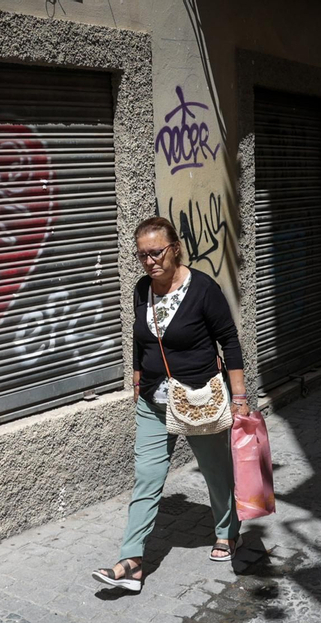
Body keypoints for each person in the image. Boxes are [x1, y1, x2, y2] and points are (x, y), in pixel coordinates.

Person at [93, 216, 247, 593]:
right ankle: (131, 561)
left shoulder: (203, 289)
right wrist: (135, 375)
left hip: (199, 399)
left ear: (175, 248)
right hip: (154, 402)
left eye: (156, 252)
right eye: (142, 255)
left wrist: (240, 396)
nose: (149, 261)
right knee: (146, 477)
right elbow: (140, 337)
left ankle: (228, 531)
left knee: (215, 471)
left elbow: (229, 340)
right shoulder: (141, 289)